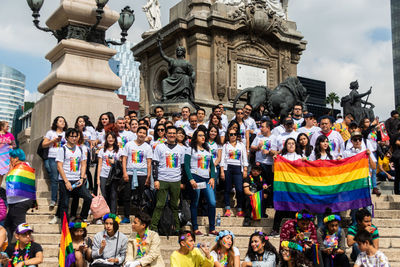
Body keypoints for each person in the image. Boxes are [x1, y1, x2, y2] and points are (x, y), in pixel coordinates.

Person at [51, 128, 92, 224]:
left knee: (88, 197)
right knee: (64, 204)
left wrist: (81, 178)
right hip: (65, 181)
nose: (74, 138)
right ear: (67, 137)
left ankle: (83, 217)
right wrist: (66, 181)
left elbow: (83, 163)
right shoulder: (63, 149)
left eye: (76, 136)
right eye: (72, 136)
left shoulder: (81, 149)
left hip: (77, 180)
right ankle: (64, 226)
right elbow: (59, 166)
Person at [150, 126, 184, 233]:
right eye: (170, 133)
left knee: (174, 205)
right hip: (162, 179)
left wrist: (182, 181)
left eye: (174, 133)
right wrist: (155, 179)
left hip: (176, 180)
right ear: (166, 134)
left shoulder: (181, 149)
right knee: (160, 204)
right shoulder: (159, 147)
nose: (172, 135)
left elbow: (182, 166)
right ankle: (154, 226)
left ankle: (177, 227)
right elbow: (155, 164)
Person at [184, 129, 218, 235]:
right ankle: (195, 228)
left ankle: (212, 228)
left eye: (204, 135)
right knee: (195, 202)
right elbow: (186, 165)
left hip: (207, 179)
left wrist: (212, 177)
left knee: (212, 202)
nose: (203, 137)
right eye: (200, 135)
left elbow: (212, 166)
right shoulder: (190, 149)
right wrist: (191, 179)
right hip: (195, 177)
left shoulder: (208, 150)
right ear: (195, 137)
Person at [121, 126, 153, 224]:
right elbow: (124, 159)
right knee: (127, 196)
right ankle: (126, 216)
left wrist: (148, 177)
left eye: (144, 133)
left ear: (146, 135)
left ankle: (139, 216)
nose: (141, 135)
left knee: (141, 196)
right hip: (130, 173)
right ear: (137, 133)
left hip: (142, 174)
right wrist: (125, 172)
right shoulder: (129, 145)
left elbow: (149, 163)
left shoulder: (147, 147)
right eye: (140, 132)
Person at [4, 149, 35, 239]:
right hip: (19, 201)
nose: (10, 160)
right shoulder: (26, 166)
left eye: (11, 158)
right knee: (8, 226)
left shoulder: (19, 168)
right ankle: (8, 247)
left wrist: (10, 170)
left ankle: (26, 247)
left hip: (20, 201)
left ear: (16, 158)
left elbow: (10, 181)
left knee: (20, 227)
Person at [220, 127, 248, 217]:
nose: (233, 136)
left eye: (234, 134)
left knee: (239, 189)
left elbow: (244, 158)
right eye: (231, 134)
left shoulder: (241, 145)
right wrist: (222, 171)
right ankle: (227, 208)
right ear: (228, 136)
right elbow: (222, 159)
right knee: (227, 189)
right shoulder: (226, 145)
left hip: (238, 168)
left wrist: (245, 169)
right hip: (228, 168)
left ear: (237, 135)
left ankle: (239, 209)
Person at [42, 116, 68, 208]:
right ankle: (53, 199)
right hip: (52, 157)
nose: (62, 123)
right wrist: (53, 141)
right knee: (54, 179)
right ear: (56, 123)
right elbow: (44, 144)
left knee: (62, 179)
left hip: (64, 158)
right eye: (60, 121)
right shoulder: (50, 133)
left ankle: (62, 199)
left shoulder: (66, 133)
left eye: (64, 121)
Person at [97, 132, 122, 216]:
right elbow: (99, 165)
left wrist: (115, 162)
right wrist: (97, 178)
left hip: (114, 176)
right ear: (106, 139)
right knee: (104, 195)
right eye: (109, 137)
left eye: (112, 137)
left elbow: (122, 163)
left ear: (115, 139)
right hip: (103, 175)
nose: (110, 139)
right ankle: (105, 214)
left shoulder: (119, 150)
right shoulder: (102, 150)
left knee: (113, 195)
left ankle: (113, 214)